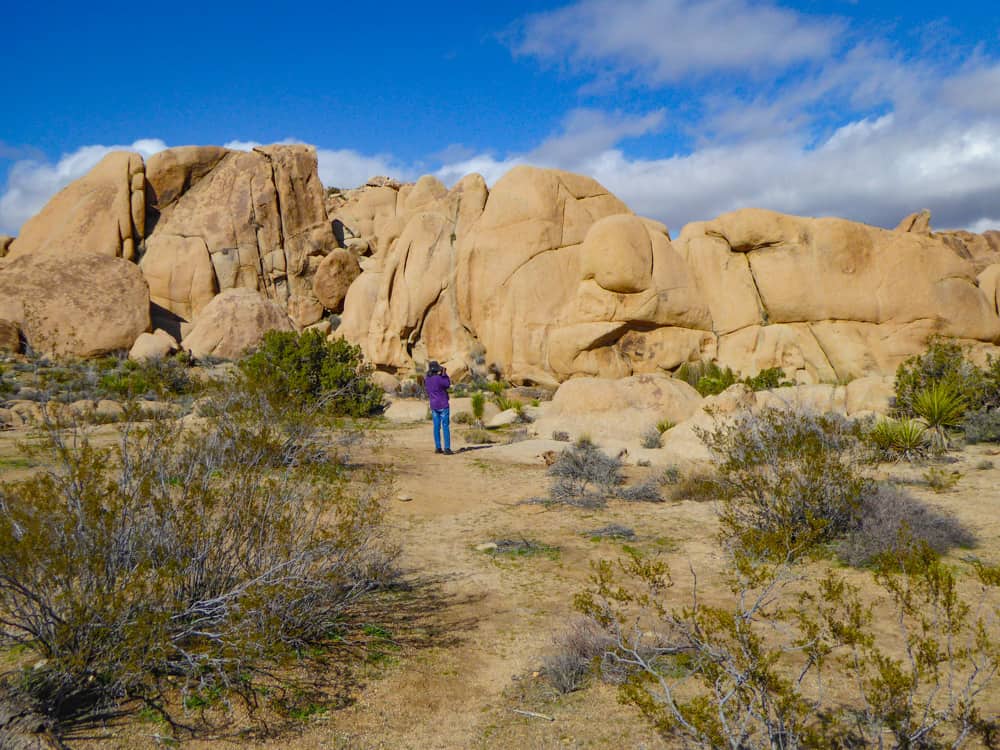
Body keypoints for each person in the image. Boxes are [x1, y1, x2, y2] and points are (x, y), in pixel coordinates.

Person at [424, 361, 452, 454]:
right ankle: (447, 448)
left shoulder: (427, 379)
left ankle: (438, 447)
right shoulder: (439, 378)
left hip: (433, 405)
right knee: (445, 426)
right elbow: (447, 384)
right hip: (443, 404)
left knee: (436, 426)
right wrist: (444, 374)